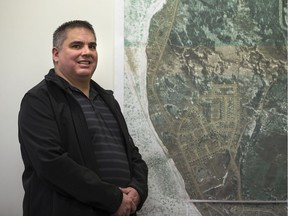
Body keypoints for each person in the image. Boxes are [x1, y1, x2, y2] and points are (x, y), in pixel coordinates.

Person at [18, 20, 148, 216]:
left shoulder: (108, 100)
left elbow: (133, 155)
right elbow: (51, 163)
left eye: (92, 46)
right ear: (56, 54)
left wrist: (137, 191)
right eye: (76, 45)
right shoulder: (38, 100)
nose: (86, 52)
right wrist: (112, 199)